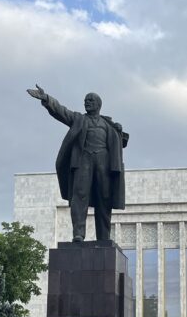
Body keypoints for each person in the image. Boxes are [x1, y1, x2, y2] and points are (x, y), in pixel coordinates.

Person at [27, 85, 129, 242]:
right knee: (79, 196)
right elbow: (61, 112)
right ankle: (78, 234)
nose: (87, 102)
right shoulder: (79, 119)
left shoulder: (108, 124)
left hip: (104, 163)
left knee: (104, 198)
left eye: (90, 100)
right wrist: (47, 98)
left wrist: (119, 132)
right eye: (85, 100)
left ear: (98, 104)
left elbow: (121, 143)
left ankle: (103, 237)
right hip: (83, 161)